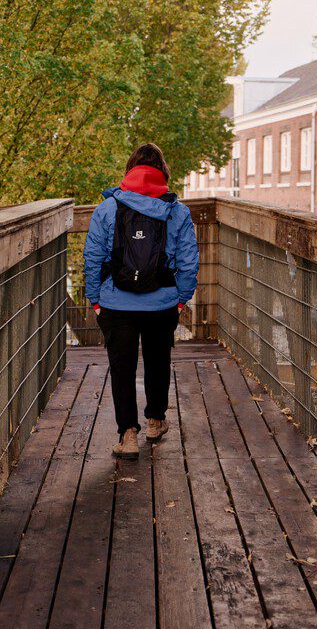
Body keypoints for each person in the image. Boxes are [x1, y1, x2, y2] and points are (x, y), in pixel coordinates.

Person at [83, 143, 199, 459]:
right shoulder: (178, 212)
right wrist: (181, 298)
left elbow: (92, 257)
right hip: (161, 303)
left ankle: (128, 435)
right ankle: (155, 421)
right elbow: (188, 262)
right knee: (157, 360)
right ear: (162, 173)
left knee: (122, 367)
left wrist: (95, 299)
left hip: (116, 304)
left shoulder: (106, 209)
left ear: (130, 171)